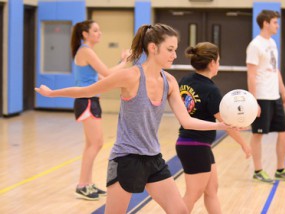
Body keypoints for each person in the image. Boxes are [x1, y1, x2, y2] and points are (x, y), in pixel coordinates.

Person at [35, 23, 233, 214]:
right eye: (170, 49)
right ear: (153, 48)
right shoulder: (130, 76)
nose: (174, 55)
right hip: (126, 159)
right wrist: (52, 93)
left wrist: (221, 125)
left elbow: (187, 121)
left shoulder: (170, 82)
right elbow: (87, 90)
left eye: (175, 50)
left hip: (154, 159)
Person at [176, 42, 252, 213]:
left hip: (194, 145)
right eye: (218, 61)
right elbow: (227, 125)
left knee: (211, 190)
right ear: (212, 63)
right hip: (195, 146)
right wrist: (244, 144)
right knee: (192, 194)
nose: (219, 64)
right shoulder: (211, 90)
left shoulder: (185, 80)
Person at [70, 20, 129, 200]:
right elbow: (108, 73)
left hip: (90, 100)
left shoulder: (87, 52)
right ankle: (82, 185)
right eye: (95, 30)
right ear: (85, 34)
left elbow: (103, 76)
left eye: (99, 30)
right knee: (96, 143)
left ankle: (87, 183)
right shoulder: (86, 51)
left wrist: (121, 62)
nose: (99, 33)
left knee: (92, 144)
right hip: (86, 101)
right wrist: (125, 61)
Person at [246, 10, 285, 183]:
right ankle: (258, 170)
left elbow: (275, 70)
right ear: (266, 23)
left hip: (274, 96)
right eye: (275, 22)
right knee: (258, 135)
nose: (277, 25)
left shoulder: (272, 44)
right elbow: (251, 75)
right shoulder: (255, 46)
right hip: (261, 97)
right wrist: (254, 101)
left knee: (284, 133)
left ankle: (280, 169)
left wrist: (283, 92)